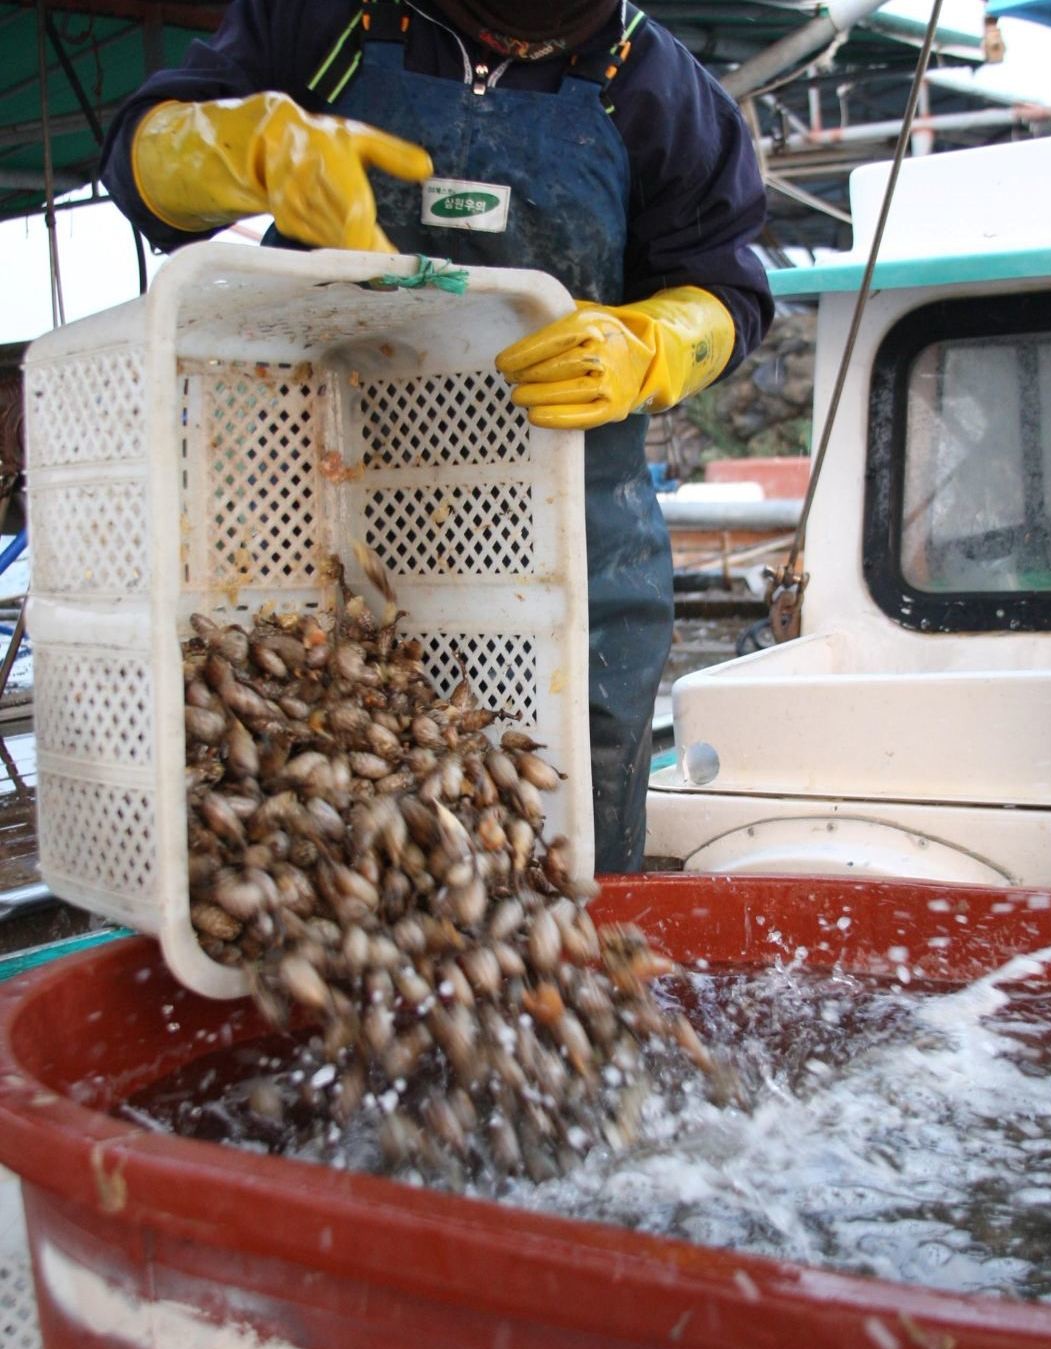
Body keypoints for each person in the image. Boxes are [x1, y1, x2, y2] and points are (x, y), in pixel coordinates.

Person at [101, 0, 773, 872]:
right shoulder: (324, 21)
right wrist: (240, 149)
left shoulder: (659, 90)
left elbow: (732, 289)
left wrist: (651, 345)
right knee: (287, 817)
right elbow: (135, 160)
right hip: (307, 513)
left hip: (562, 536)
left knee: (574, 836)